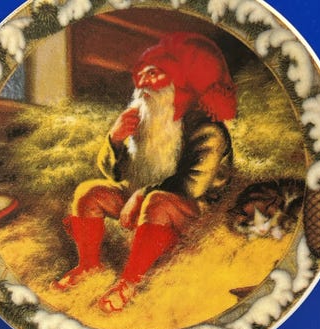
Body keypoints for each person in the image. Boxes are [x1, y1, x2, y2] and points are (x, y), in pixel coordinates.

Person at [52, 32, 237, 313]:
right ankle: (88, 265)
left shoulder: (207, 129)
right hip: (143, 199)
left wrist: (142, 194)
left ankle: (128, 283)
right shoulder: (145, 118)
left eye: (154, 74)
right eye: (141, 75)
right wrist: (114, 140)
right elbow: (115, 174)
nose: (142, 83)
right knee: (88, 193)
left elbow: (193, 186)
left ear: (179, 83)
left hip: (191, 211)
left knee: (156, 202)